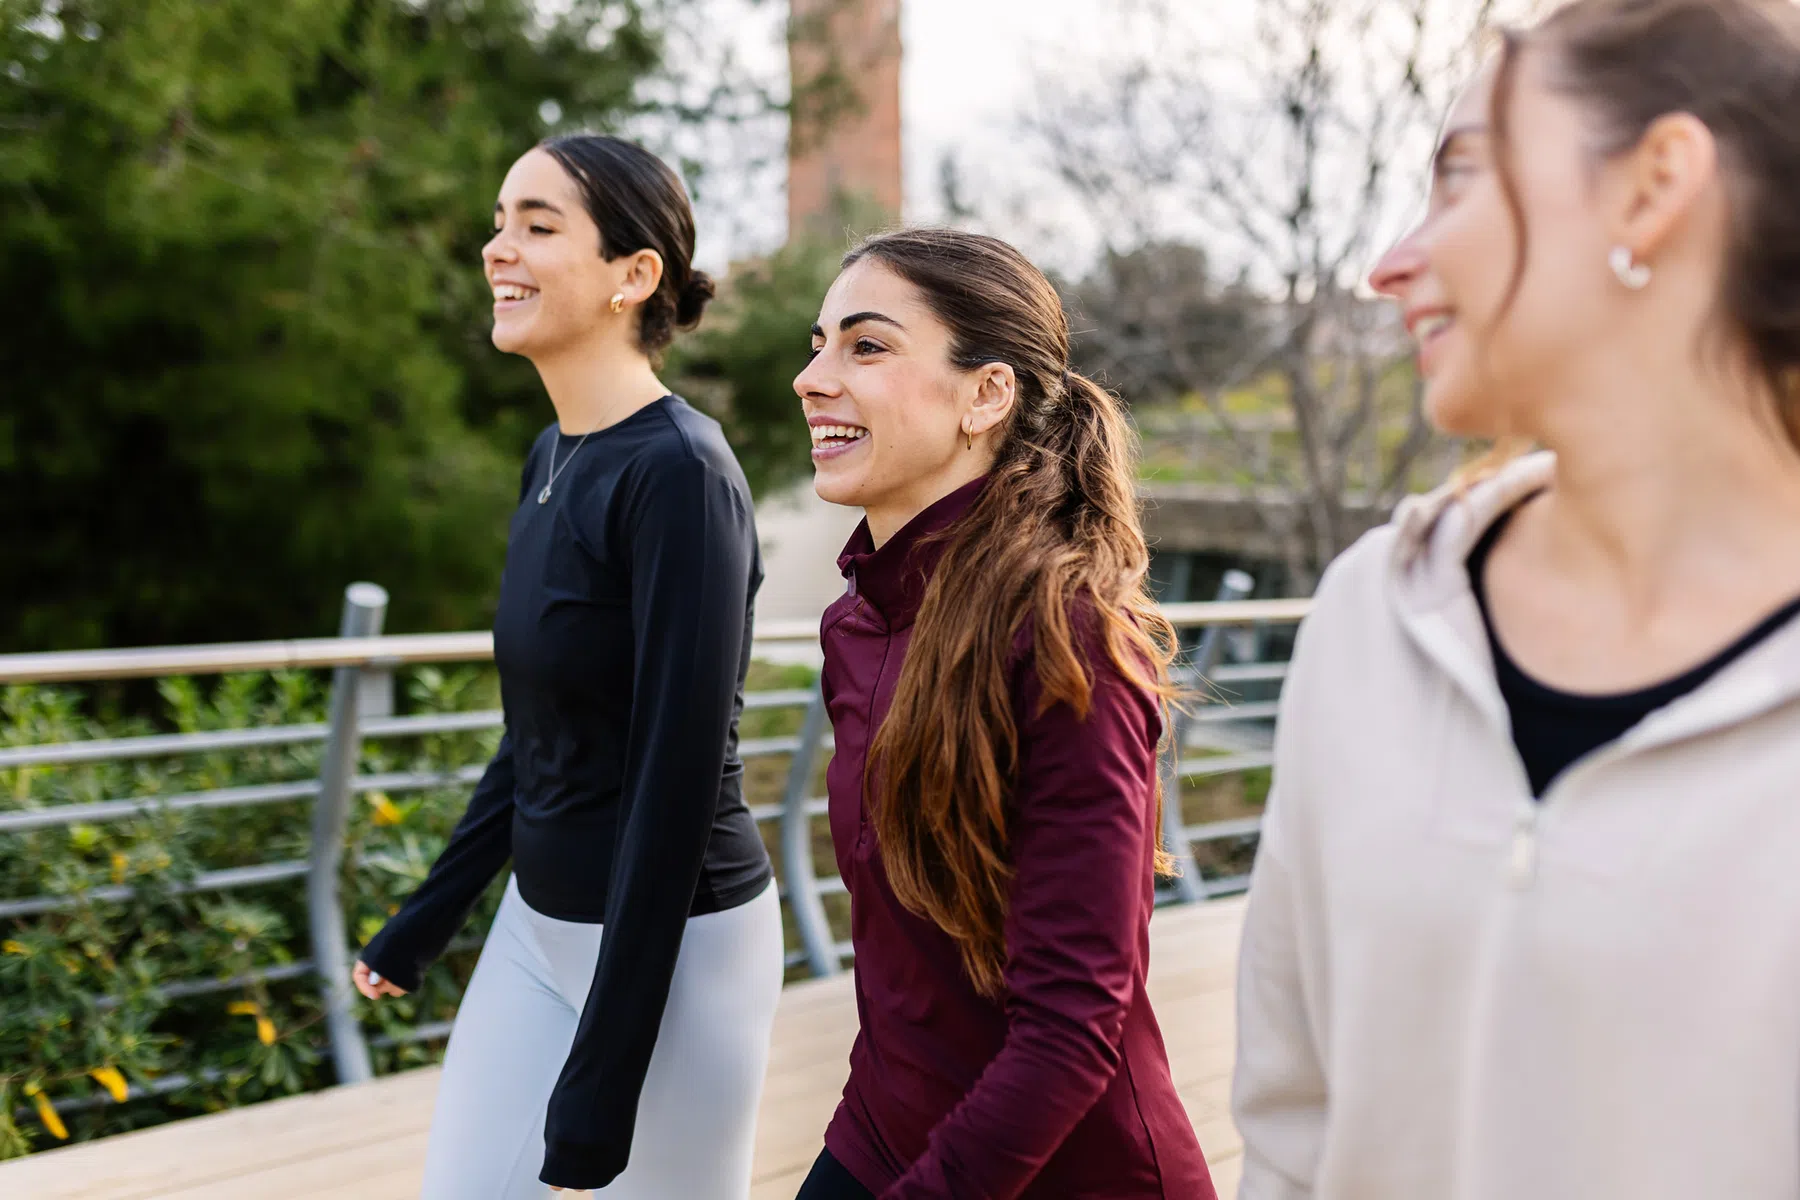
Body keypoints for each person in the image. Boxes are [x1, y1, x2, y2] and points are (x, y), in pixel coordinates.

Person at [1232, 1, 1800, 1197]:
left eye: (1459, 177)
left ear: (1655, 186)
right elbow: (1291, 1127)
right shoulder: (1367, 621)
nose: (1391, 260)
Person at [351, 134, 782, 1199]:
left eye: (539, 226)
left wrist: (604, 1079)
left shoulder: (682, 476)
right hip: (536, 925)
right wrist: (429, 916)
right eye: (501, 221)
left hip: (677, 955)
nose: (500, 248)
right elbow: (547, 729)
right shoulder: (557, 454)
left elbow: (673, 788)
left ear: (635, 276)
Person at [789, 227, 1218, 1200]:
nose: (813, 378)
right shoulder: (856, 624)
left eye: (866, 346)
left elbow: (1074, 1029)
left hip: (1069, 1173)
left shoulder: (1071, 646)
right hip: (882, 1129)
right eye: (816, 345)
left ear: (987, 394)